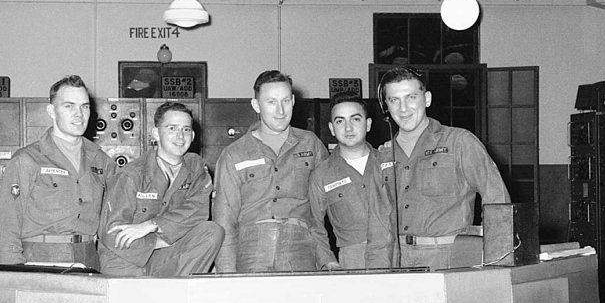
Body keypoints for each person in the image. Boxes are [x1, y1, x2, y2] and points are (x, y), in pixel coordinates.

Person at [378, 66, 510, 270]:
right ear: (386, 106)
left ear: (427, 99)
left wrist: (497, 259)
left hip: (448, 258)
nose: (403, 108)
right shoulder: (383, 154)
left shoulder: (459, 142)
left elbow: (498, 200)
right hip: (396, 259)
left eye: (411, 97)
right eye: (394, 100)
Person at [0, 75, 116, 269]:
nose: (79, 114)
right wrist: (13, 270)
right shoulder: (28, 160)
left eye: (84, 106)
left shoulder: (101, 161)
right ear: (51, 111)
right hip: (41, 258)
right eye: (69, 106)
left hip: (88, 257)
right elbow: (7, 223)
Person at [213, 70, 328, 272]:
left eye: (285, 101)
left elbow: (323, 210)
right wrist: (226, 275)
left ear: (293, 101)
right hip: (251, 248)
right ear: (256, 105)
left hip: (301, 246)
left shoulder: (311, 144)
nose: (280, 110)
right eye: (271, 102)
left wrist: (326, 258)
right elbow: (224, 221)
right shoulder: (234, 154)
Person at [99, 102, 223, 276]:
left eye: (186, 129)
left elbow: (198, 212)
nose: (180, 136)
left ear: (193, 135)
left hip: (166, 256)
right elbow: (112, 234)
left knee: (212, 232)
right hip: (125, 261)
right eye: (172, 128)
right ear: (156, 133)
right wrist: (161, 240)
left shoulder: (196, 170)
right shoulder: (132, 175)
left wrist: (151, 225)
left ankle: (178, 292)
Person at [309, 92, 393, 270]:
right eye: (340, 121)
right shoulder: (322, 174)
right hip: (352, 259)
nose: (348, 128)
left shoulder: (390, 163)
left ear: (368, 124)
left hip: (395, 252)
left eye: (355, 119)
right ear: (332, 128)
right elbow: (313, 224)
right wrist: (327, 260)